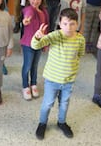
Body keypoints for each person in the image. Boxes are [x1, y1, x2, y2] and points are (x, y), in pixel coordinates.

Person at [32, 8, 85, 140]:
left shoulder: (80, 39)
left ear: (77, 24)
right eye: (65, 23)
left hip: (68, 80)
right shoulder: (55, 36)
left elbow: (80, 54)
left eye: (72, 24)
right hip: (52, 79)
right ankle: (42, 123)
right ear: (60, 24)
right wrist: (37, 37)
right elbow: (36, 45)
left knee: (65, 103)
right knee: (48, 103)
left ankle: (61, 122)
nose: (69, 27)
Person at [20, 0, 49, 100]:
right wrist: (26, 20)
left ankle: (33, 83)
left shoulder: (44, 12)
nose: (35, 1)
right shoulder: (29, 9)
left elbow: (46, 28)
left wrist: (46, 43)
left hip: (39, 43)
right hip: (28, 43)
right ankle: (25, 85)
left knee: (35, 65)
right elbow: (27, 16)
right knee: (27, 65)